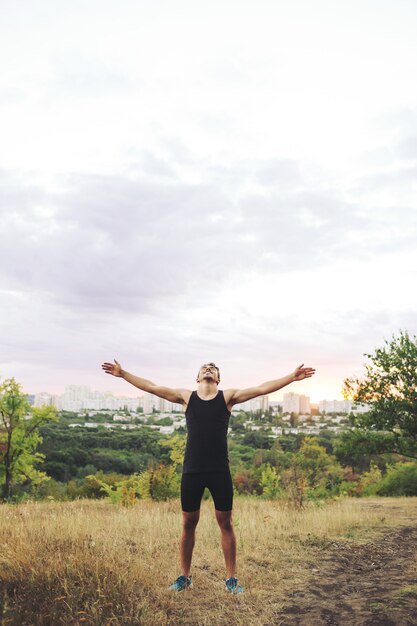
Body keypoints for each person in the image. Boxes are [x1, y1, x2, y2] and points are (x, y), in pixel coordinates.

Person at [101, 359, 315, 594]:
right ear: (197, 377)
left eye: (213, 368)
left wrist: (291, 377)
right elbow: (151, 387)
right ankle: (184, 577)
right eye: (205, 367)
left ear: (218, 379)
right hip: (192, 470)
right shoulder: (186, 397)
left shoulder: (227, 397)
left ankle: (231, 579)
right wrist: (123, 374)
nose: (209, 368)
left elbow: (262, 389)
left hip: (219, 471)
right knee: (188, 524)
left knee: (226, 523)